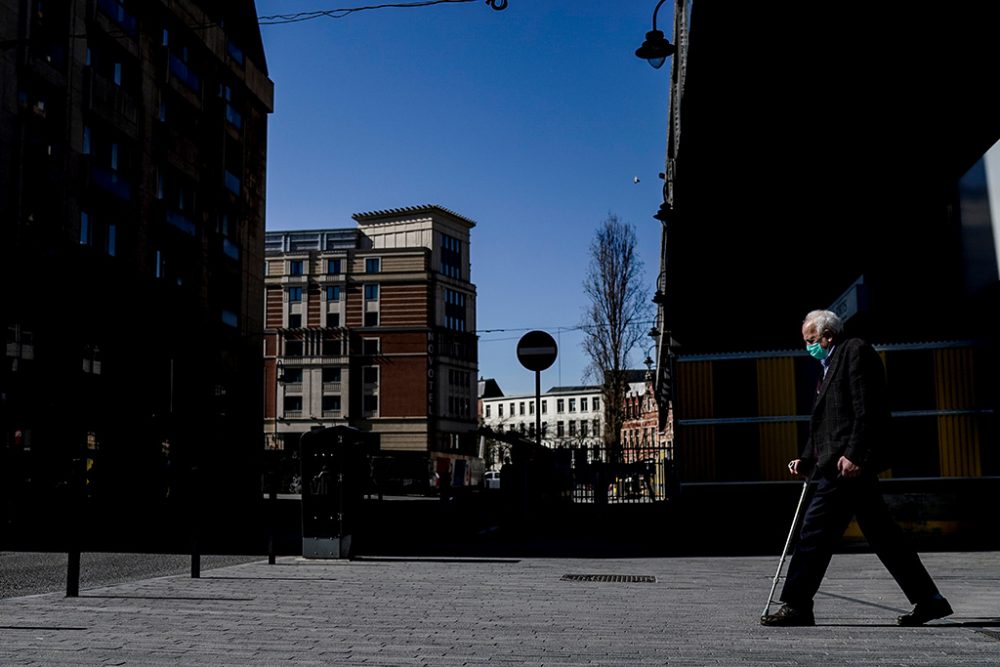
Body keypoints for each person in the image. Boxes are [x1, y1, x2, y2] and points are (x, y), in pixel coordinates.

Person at [761, 310, 953, 627]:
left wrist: (856, 454)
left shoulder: (855, 351)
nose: (809, 347)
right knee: (884, 537)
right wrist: (807, 458)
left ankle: (796, 605)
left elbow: (869, 408)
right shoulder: (828, 366)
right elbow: (825, 423)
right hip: (837, 465)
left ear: (828, 336)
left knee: (813, 535)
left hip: (844, 467)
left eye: (811, 341)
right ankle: (930, 600)